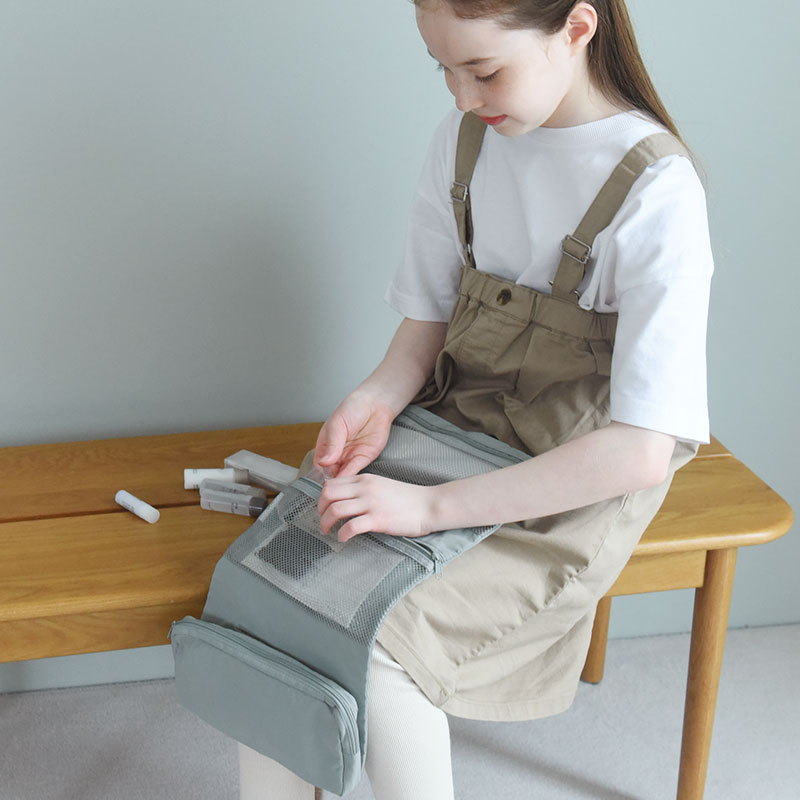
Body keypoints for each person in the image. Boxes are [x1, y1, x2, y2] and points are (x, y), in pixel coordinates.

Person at [239, 1, 713, 798]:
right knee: (275, 584)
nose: (463, 97)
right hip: (447, 434)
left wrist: (429, 510)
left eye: (484, 70)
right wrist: (375, 399)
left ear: (577, 29)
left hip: (565, 490)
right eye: (445, 69)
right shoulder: (465, 141)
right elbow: (423, 331)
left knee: (382, 641)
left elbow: (638, 452)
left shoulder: (657, 190)